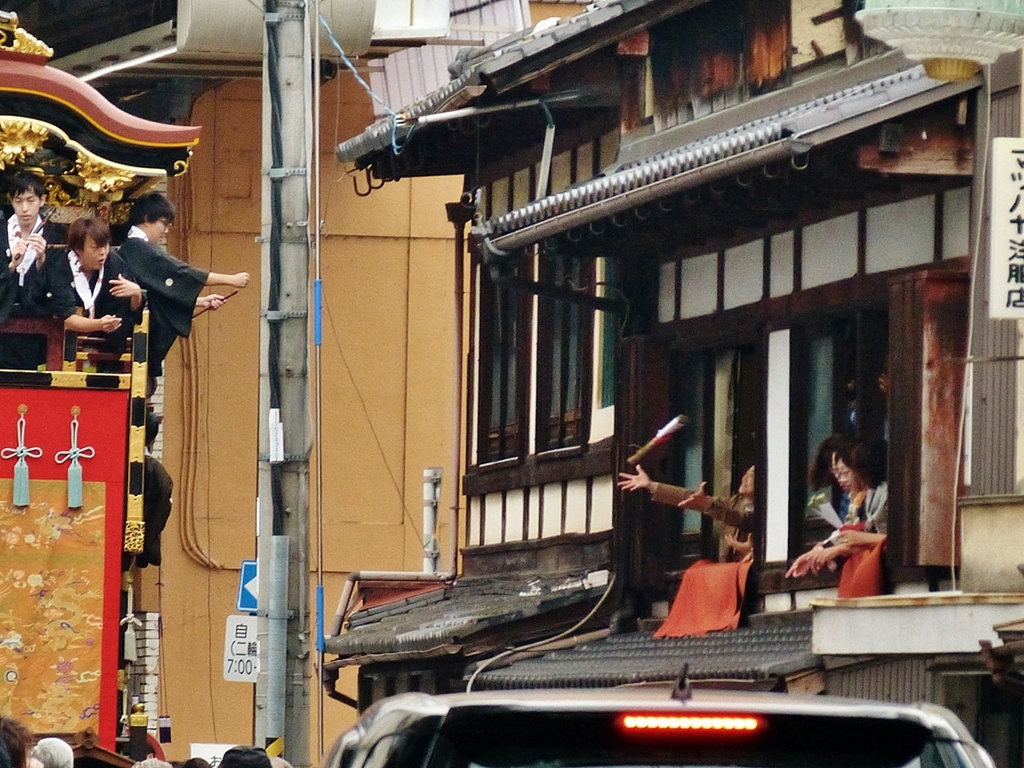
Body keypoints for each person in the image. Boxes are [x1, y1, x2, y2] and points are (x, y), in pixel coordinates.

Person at [116, 192, 249, 378]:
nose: (166, 230)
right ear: (147, 219)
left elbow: (158, 296)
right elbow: (179, 273)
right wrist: (230, 279)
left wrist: (202, 301)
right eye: (163, 223)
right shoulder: (136, 247)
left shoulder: (135, 248)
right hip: (128, 334)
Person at [0, 173, 76, 369]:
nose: (24, 208)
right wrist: (11, 267)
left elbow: (60, 284)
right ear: (11, 201)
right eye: (18, 201)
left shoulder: (55, 234)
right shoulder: (1, 232)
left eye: (30, 201)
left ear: (42, 200)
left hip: (38, 326)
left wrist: (42, 260)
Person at [786, 440, 888, 579]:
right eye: (836, 473)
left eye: (845, 472)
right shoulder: (870, 494)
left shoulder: (885, 493)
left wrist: (839, 547)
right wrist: (825, 548)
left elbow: (878, 539)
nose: (840, 479)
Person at [617, 463, 755, 561]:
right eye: (745, 474)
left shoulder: (766, 510)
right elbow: (690, 498)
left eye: (751, 476)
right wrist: (651, 485)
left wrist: (710, 505)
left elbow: (743, 519)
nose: (744, 479)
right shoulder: (735, 502)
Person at [62, 216, 143, 361]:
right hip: (62, 345)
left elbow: (129, 312)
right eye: (95, 248)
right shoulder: (59, 266)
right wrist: (99, 324)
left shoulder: (115, 265)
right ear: (78, 249)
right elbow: (65, 316)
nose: (103, 253)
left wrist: (136, 294)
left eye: (105, 246)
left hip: (104, 347)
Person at [137, 411, 173, 568]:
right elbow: (162, 508)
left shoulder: (153, 469)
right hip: (138, 541)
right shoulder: (155, 470)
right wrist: (147, 542)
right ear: (152, 439)